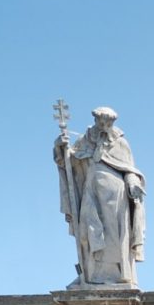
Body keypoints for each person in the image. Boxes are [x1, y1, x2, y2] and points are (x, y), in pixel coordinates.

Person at [55, 107, 146, 287]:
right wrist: (61, 147)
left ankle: (118, 276)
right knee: (87, 233)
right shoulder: (85, 140)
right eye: (101, 122)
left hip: (116, 195)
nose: (104, 126)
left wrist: (133, 183)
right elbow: (70, 163)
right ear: (95, 120)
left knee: (115, 235)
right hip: (91, 191)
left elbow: (130, 169)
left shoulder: (121, 143)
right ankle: (90, 275)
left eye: (108, 123)